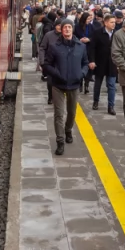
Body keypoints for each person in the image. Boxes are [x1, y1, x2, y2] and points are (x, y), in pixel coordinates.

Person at [42, 19, 89, 156]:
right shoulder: (54, 46)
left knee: (72, 112)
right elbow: (47, 64)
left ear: (72, 29)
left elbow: (85, 63)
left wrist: (82, 73)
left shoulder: (81, 46)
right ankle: (60, 141)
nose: (67, 29)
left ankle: (68, 129)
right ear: (61, 30)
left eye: (69, 27)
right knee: (58, 114)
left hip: (74, 84)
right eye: (65, 27)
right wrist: (57, 73)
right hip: (58, 84)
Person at [88, 13, 118, 114]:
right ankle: (95, 101)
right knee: (98, 84)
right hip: (100, 62)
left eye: (114, 22)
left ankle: (111, 106)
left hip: (112, 63)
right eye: (111, 22)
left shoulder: (117, 34)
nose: (114, 24)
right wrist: (92, 60)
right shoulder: (97, 33)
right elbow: (92, 48)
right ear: (105, 23)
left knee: (112, 85)